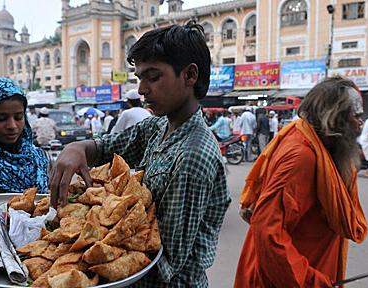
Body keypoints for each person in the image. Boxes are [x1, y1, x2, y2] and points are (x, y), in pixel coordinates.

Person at [49, 21, 231, 287]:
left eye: (153, 77)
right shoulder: (157, 126)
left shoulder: (194, 155)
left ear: (190, 76)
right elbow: (107, 146)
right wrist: (77, 148)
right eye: (139, 78)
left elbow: (164, 258)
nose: (142, 89)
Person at [235, 77, 368, 288]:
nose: (361, 122)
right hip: (286, 279)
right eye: (356, 116)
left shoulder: (323, 148)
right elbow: (268, 231)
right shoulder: (301, 157)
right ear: (334, 120)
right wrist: (311, 281)